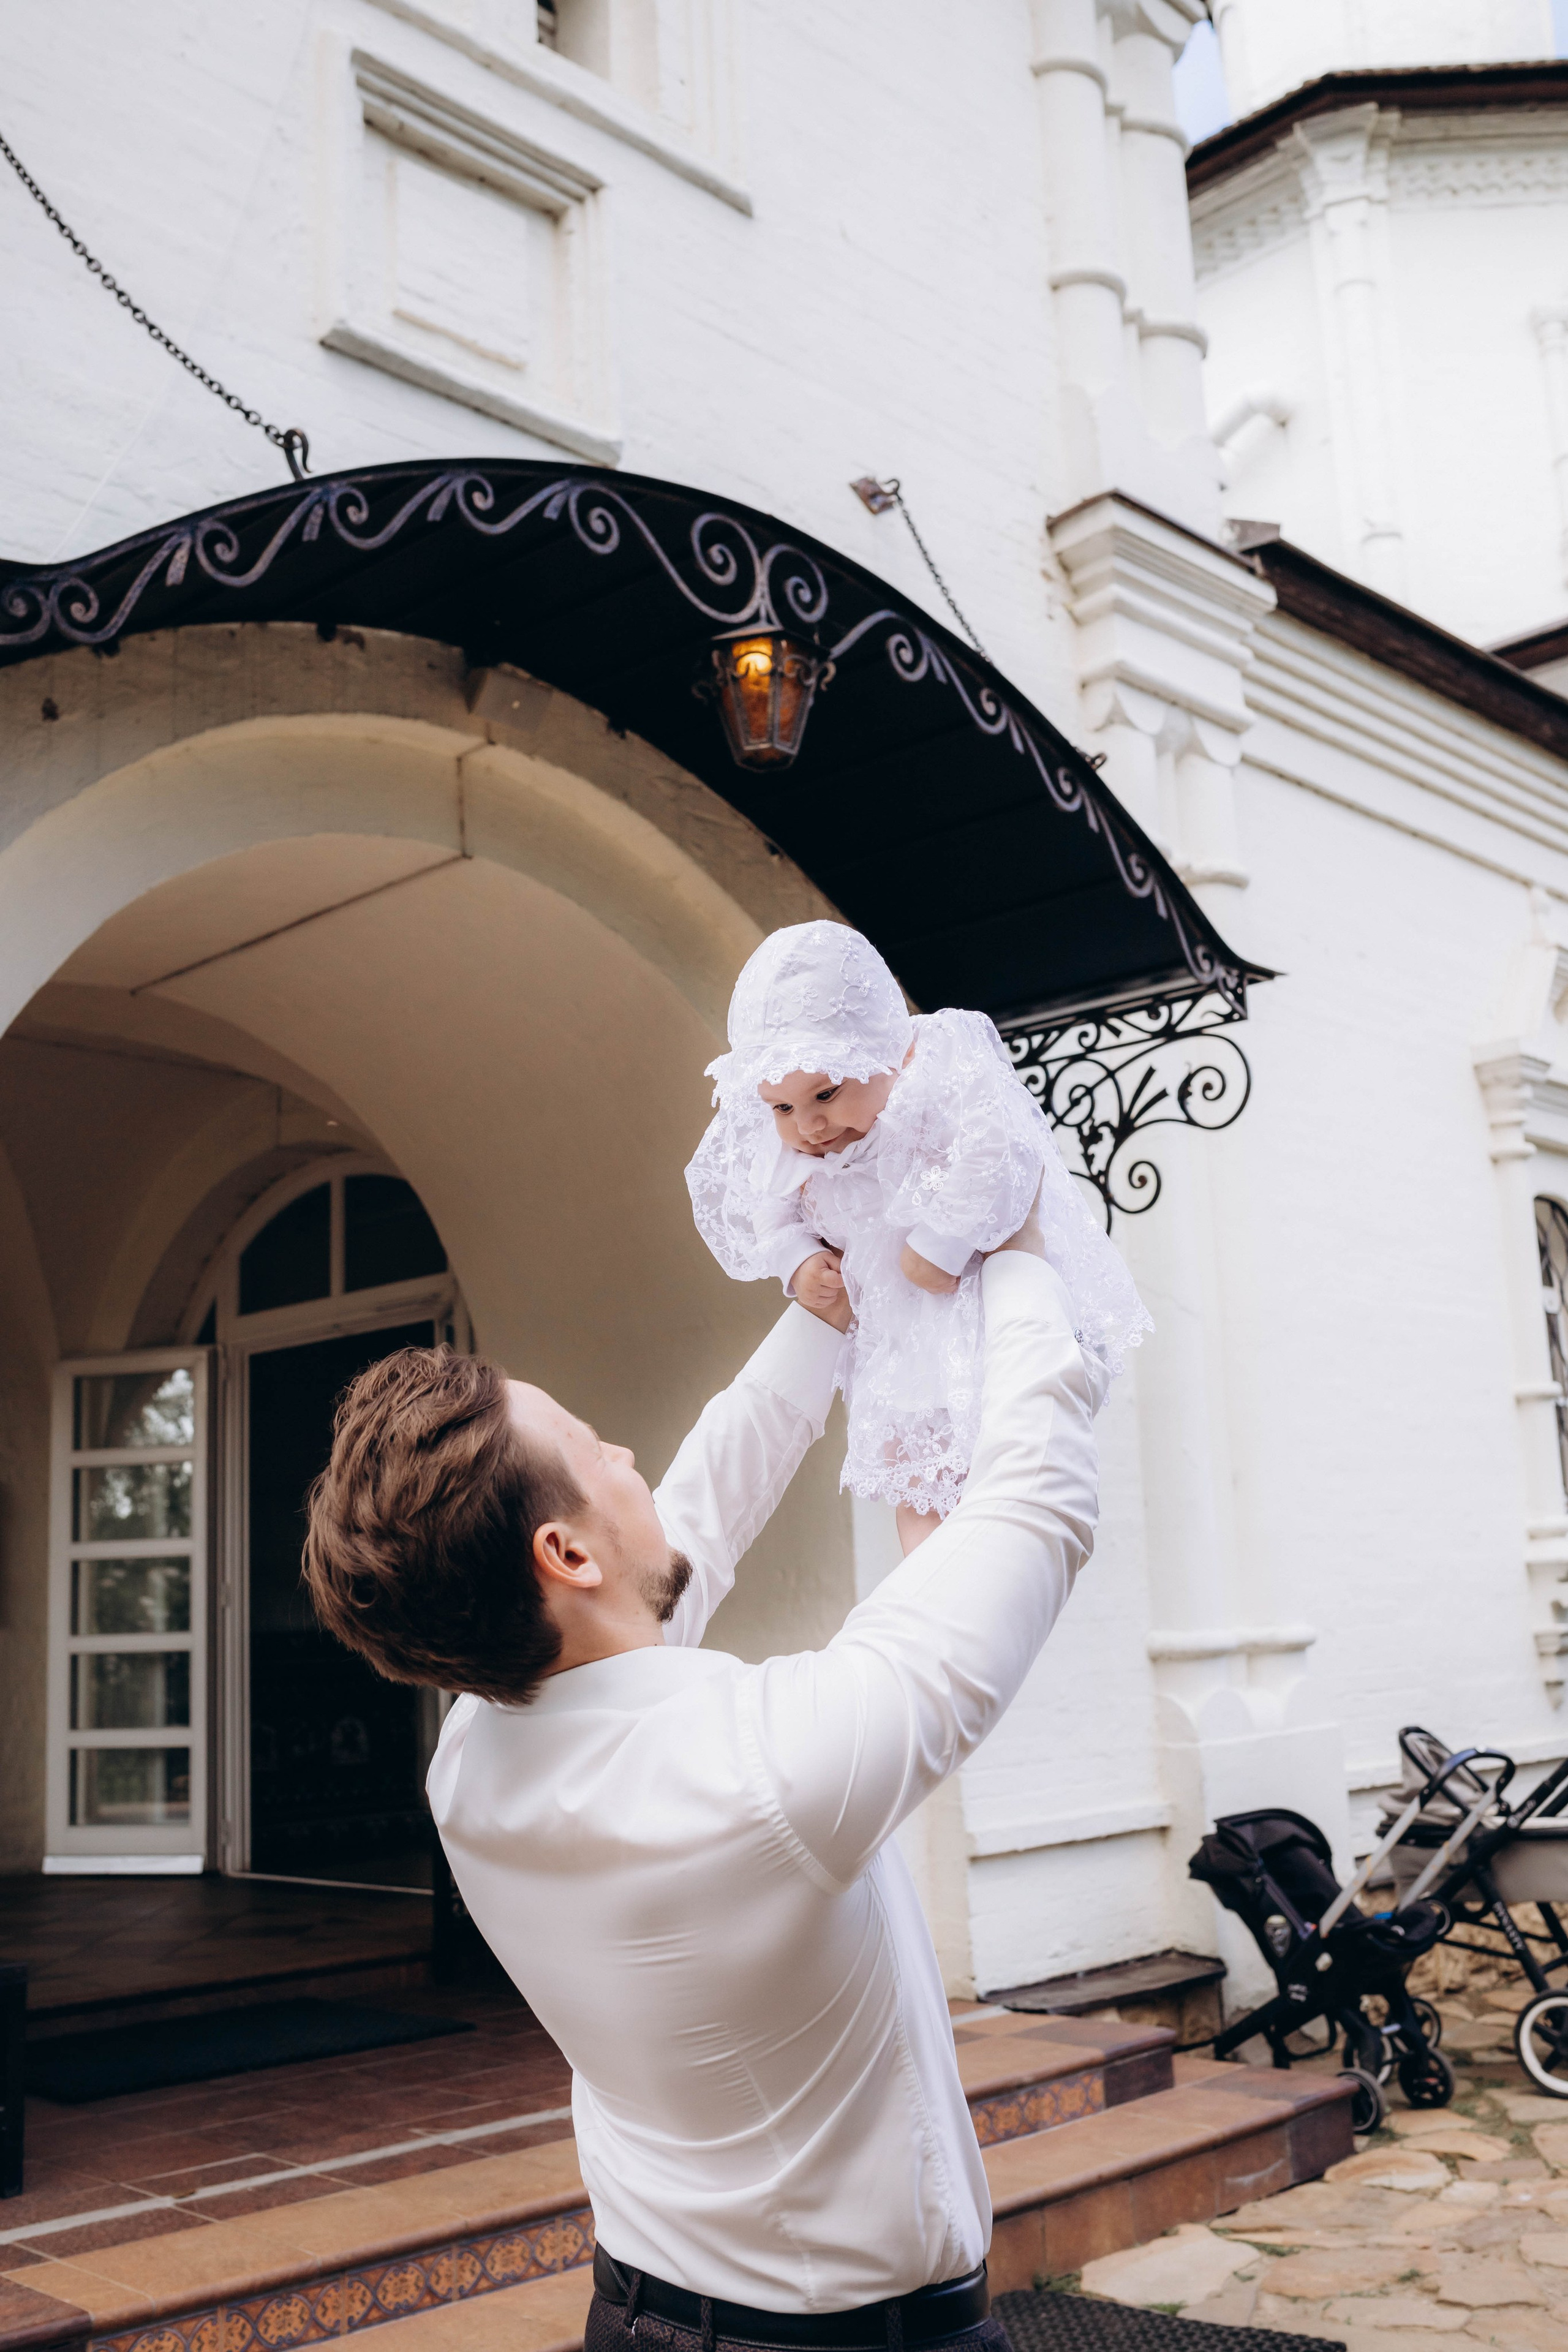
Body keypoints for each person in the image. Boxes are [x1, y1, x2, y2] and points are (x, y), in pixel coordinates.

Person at [303, 1201, 1100, 2352]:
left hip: (639, 2315)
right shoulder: (762, 1772)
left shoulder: (470, 1756)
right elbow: (1036, 1505)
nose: (631, 1458)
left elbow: (693, 1527)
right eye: (595, 1447)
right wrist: (1022, 1263)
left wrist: (819, 1318)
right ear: (565, 1554)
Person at [685, 921, 1146, 1553]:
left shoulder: (933, 1080)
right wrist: (799, 1258)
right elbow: (768, 1204)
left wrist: (940, 1245)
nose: (809, 1124)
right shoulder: (792, 1148)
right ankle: (926, 1578)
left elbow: (999, 1151)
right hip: (897, 1343)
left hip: (975, 1305)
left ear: (892, 1055)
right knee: (916, 1478)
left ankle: (999, 1566)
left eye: (826, 1093)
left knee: (1011, 1455)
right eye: (782, 1108)